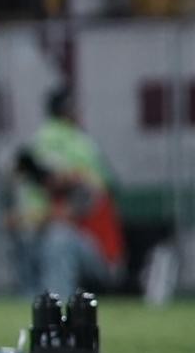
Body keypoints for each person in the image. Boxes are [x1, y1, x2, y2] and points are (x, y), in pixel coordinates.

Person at [10, 87, 124, 300]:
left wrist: (25, 218)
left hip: (103, 262)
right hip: (71, 254)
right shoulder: (54, 191)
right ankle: (31, 303)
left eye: (50, 173)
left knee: (59, 238)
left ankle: (57, 305)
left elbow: (64, 215)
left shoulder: (84, 187)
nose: (48, 178)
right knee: (29, 239)